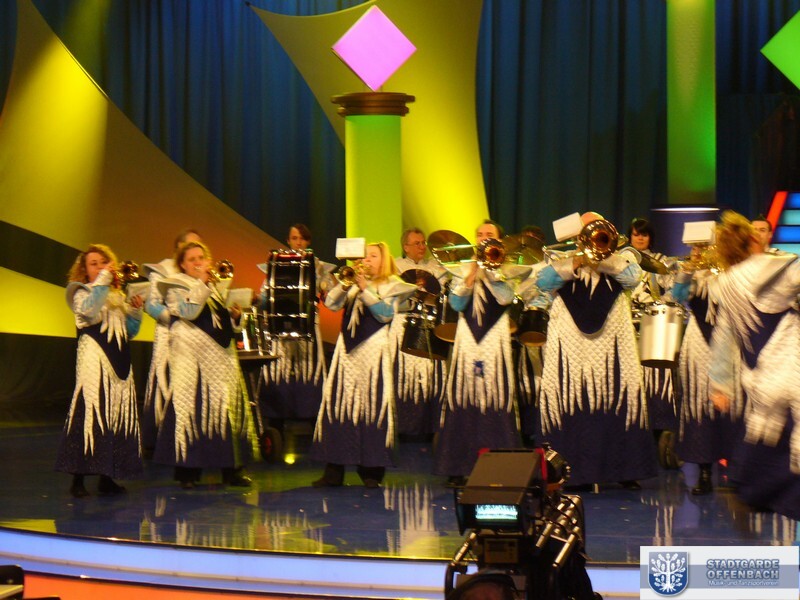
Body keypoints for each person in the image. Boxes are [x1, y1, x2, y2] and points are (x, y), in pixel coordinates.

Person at [536, 213, 657, 490]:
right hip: (571, 344)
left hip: (612, 342)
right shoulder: (562, 259)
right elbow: (543, 283)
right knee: (572, 401)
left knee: (617, 398)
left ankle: (625, 470)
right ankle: (571, 472)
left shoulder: (622, 258)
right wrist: (576, 261)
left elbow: (632, 279)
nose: (594, 237)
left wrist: (603, 259)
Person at [708, 211, 800, 519]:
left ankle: (746, 490)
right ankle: (760, 494)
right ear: (751, 239)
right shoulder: (773, 268)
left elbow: (723, 336)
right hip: (788, 366)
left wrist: (720, 383)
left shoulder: (725, 282)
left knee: (769, 435)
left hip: (758, 375)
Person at [153, 241, 258, 489]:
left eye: (201, 257)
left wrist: (236, 317)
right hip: (191, 355)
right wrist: (202, 284)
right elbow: (188, 312)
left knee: (226, 410)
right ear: (182, 264)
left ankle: (231, 470)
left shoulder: (214, 287)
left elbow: (222, 322)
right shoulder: (174, 285)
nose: (198, 262)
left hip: (221, 356)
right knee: (191, 409)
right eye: (192, 259)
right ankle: (188, 473)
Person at [311, 242, 415, 488]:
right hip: (346, 352)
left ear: (383, 260)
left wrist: (366, 289)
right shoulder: (354, 283)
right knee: (339, 406)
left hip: (373, 351)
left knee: (372, 407)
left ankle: (371, 471)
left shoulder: (392, 284)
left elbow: (385, 314)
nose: (366, 260)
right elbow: (331, 304)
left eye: (373, 256)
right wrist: (345, 284)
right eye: (365, 256)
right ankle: (334, 469)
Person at [434, 220, 526, 486]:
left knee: (495, 397)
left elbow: (506, 299)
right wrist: (471, 275)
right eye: (480, 234)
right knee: (463, 397)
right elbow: (456, 303)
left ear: (499, 240)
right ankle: (457, 466)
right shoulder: (463, 267)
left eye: (489, 234)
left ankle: (499, 467)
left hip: (494, 338)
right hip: (467, 337)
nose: (483, 238)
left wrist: (493, 272)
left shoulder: (508, 268)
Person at [55, 244, 145, 497]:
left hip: (119, 362)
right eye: (94, 264)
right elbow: (90, 312)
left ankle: (107, 478)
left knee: (115, 416)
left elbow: (129, 332)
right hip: (94, 361)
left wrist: (135, 310)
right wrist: (104, 280)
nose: (100, 267)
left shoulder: (116, 296)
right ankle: (78, 480)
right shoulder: (80, 292)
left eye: (104, 262)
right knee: (90, 414)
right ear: (84, 270)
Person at [671, 243, 743, 495]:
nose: (700, 251)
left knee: (734, 405)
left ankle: (736, 471)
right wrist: (689, 269)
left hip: (732, 339)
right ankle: (704, 472)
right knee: (700, 404)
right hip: (699, 343)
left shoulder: (736, 272)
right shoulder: (693, 275)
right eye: (696, 248)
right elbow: (677, 295)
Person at [257, 224, 333, 433]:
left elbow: (330, 297)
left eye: (302, 238)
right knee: (278, 372)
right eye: (294, 238)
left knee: (308, 371)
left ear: (308, 241)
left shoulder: (318, 266)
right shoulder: (276, 263)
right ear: (288, 240)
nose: (298, 242)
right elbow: (265, 295)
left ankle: (312, 418)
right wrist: (258, 300)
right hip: (280, 326)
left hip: (308, 325)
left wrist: (326, 288)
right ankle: (276, 420)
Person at [140, 228, 202, 457]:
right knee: (166, 380)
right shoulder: (163, 270)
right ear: (178, 249)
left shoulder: (200, 272)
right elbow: (151, 304)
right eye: (189, 246)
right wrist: (174, 319)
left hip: (195, 334)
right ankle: (159, 439)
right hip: (169, 333)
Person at [626, 218, 680, 469]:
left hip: (654, 329)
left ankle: (660, 437)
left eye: (644, 234)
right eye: (636, 234)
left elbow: (675, 290)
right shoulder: (620, 260)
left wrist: (658, 304)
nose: (640, 238)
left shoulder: (661, 261)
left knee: (658, 384)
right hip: (626, 328)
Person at [391, 227, 449, 438]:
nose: (422, 247)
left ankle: (430, 426)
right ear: (405, 246)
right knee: (405, 376)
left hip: (430, 325)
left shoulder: (436, 267)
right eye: (417, 243)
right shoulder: (395, 266)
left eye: (423, 242)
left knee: (432, 376)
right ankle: (404, 427)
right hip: (404, 323)